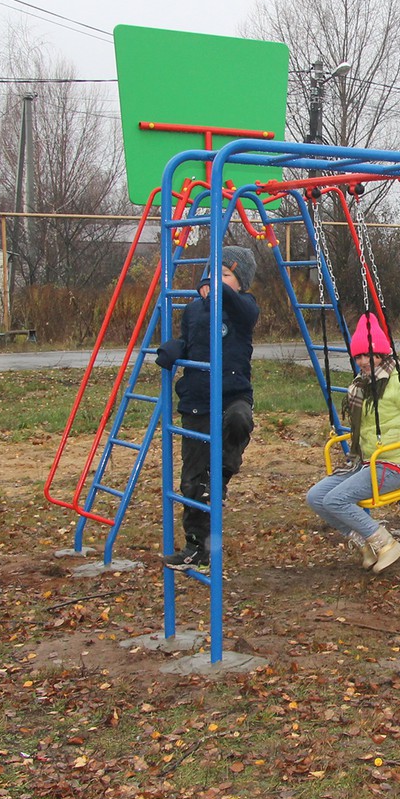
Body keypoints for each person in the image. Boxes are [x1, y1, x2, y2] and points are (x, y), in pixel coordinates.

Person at [306, 312, 400, 573]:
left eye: (369, 355)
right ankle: (364, 543)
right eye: (358, 357)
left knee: (336, 500)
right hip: (367, 463)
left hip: (394, 466)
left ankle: (387, 543)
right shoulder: (362, 385)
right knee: (316, 496)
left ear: (382, 355)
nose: (363, 362)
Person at [156, 245, 260, 572]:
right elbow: (189, 342)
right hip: (198, 401)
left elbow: (245, 312)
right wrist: (174, 350)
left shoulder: (244, 308)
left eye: (226, 275)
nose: (218, 279)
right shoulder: (194, 311)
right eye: (214, 273)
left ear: (241, 283)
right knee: (193, 482)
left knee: (240, 420)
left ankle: (224, 473)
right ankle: (196, 546)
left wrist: (220, 293)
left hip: (232, 393)